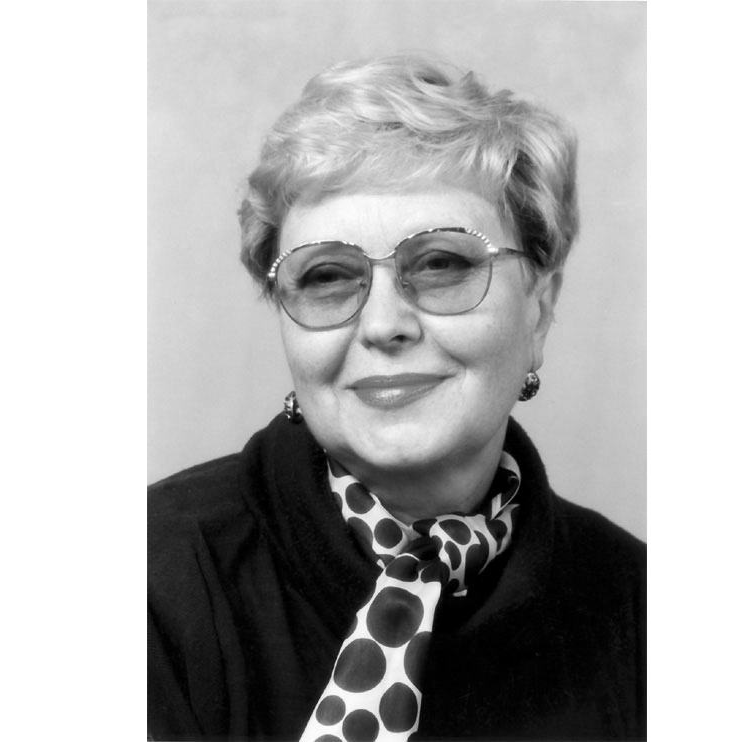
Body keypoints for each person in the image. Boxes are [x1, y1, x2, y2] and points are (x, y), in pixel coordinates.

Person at [148, 54, 646, 741]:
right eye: (327, 276)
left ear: (539, 309)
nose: (383, 325)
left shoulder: (641, 606)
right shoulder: (149, 578)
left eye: (441, 264)